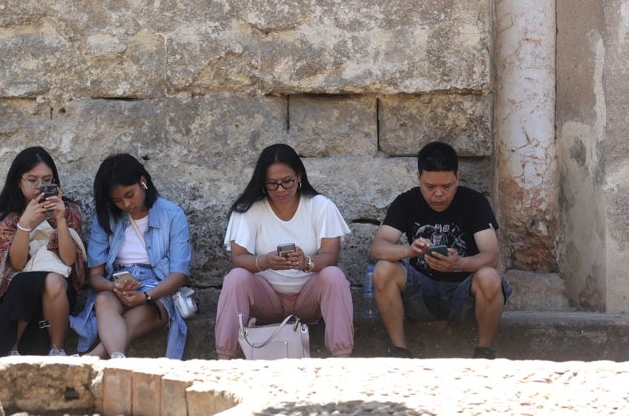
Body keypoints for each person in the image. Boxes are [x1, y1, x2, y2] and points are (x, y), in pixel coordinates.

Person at [370, 141, 512, 359]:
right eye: (429, 187)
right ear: (418, 178)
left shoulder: (474, 202)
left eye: (446, 187)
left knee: (490, 277)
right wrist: (409, 250)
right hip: (419, 293)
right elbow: (379, 248)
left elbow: (491, 256)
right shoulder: (407, 201)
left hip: (464, 295)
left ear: (458, 178)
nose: (438, 194)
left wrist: (459, 264)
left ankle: (483, 351)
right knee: (383, 270)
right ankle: (399, 351)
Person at [213, 143, 354, 358]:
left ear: (298, 176)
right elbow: (239, 258)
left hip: (308, 297)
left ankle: (342, 357)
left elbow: (330, 256)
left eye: (286, 182)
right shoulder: (249, 210)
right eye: (272, 184)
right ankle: (224, 358)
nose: (280, 190)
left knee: (333, 276)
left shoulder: (320, 206)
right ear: (263, 183)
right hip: (267, 298)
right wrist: (265, 262)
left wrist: (308, 263)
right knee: (236, 278)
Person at [70, 153, 192, 359]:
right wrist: (114, 287)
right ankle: (117, 358)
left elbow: (179, 273)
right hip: (118, 285)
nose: (126, 204)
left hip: (158, 290)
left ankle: (93, 357)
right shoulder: (106, 219)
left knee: (136, 315)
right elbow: (96, 276)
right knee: (103, 301)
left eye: (130, 194)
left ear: (143, 182)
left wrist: (146, 296)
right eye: (117, 200)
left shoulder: (172, 214)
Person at [0, 146, 87, 357]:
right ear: (19, 182)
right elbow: (16, 265)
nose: (40, 186)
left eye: (47, 180)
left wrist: (61, 219)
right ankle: (12, 352)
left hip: (58, 292)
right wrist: (25, 224)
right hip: (19, 291)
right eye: (32, 180)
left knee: (54, 281)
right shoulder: (7, 218)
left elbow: (68, 260)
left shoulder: (69, 212)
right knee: (27, 282)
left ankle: (58, 350)